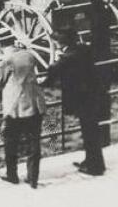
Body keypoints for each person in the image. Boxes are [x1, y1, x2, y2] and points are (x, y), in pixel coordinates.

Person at [43, 29, 106, 176]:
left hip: (83, 100)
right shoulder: (83, 49)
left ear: (60, 43)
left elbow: (53, 70)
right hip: (94, 95)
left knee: (89, 132)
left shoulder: (67, 57)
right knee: (92, 131)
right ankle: (91, 161)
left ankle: (95, 167)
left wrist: (44, 81)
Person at [0, 29, 45, 188]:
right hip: (35, 103)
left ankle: (11, 174)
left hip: (16, 107)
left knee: (10, 141)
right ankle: (33, 177)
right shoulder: (28, 54)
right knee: (34, 142)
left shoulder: (7, 60)